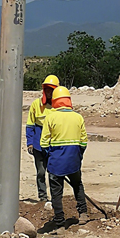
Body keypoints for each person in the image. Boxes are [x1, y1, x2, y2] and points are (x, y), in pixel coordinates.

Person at [40, 86, 88, 229]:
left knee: (56, 192)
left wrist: (50, 156)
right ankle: (83, 213)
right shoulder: (78, 117)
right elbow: (84, 141)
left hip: (56, 162)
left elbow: (43, 143)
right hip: (73, 160)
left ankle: (59, 221)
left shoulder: (50, 117)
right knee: (77, 185)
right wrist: (77, 156)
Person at [25, 74, 60, 207]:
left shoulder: (60, 106)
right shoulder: (36, 104)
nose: (49, 92)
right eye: (47, 89)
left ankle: (55, 197)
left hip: (53, 144)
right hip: (38, 144)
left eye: (51, 89)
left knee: (54, 173)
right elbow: (30, 125)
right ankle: (42, 197)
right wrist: (30, 142)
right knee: (41, 172)